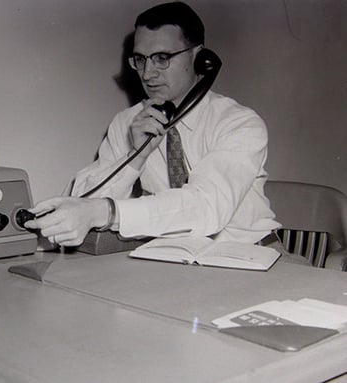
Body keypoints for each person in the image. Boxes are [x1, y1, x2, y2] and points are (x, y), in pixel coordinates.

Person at [24, 1, 281, 250]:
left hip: (252, 255)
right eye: (140, 60)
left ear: (200, 58)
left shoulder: (240, 124)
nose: (147, 74)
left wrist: (108, 211)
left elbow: (206, 207)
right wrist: (135, 157)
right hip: (176, 261)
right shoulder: (127, 122)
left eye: (161, 58)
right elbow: (83, 205)